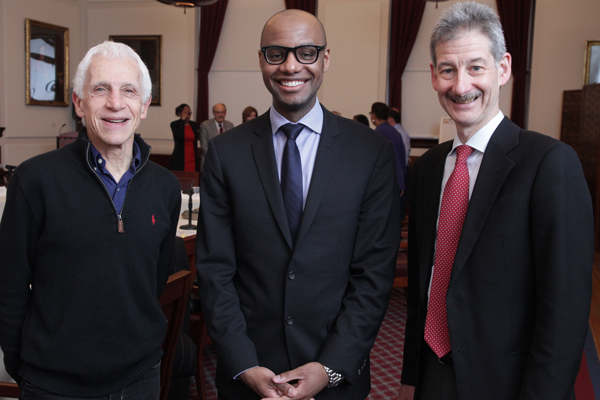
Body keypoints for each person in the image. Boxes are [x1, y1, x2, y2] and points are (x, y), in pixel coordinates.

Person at [196, 9, 401, 400]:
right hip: (250, 375)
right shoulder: (226, 154)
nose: (291, 65)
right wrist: (244, 364)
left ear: (325, 58)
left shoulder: (369, 152)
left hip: (335, 374)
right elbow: (215, 272)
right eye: (277, 53)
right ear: (261, 60)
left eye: (306, 52)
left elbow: (372, 276)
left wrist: (329, 369)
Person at [397, 3, 594, 400]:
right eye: (448, 70)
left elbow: (566, 311)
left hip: (511, 383)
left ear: (502, 68)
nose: (460, 85)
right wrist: (411, 378)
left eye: (475, 67)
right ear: (434, 76)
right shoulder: (428, 168)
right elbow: (423, 287)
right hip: (433, 373)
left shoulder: (549, 163)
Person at [0, 41, 182, 399]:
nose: (116, 103)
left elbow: (152, 280)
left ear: (143, 106)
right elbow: (9, 289)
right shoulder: (34, 180)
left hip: (140, 380)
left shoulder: (166, 187)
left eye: (128, 91)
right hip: (52, 385)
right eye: (101, 90)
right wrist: (27, 370)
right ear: (79, 103)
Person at [370, 102, 406, 194]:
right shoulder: (395, 131)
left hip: (384, 182)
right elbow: (402, 157)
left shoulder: (378, 133)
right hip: (398, 180)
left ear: (373, 115)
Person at [199, 103, 234, 170]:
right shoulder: (205, 125)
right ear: (213, 113)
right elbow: (204, 147)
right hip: (209, 163)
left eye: (222, 112)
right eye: (218, 112)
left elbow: (231, 145)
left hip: (225, 165)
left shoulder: (230, 125)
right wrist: (217, 160)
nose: (220, 114)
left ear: (225, 113)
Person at [169, 103, 200, 171]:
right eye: (185, 112)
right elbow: (179, 137)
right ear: (179, 113)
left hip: (192, 156)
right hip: (180, 157)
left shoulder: (193, 125)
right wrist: (182, 120)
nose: (187, 115)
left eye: (189, 113)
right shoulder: (174, 124)